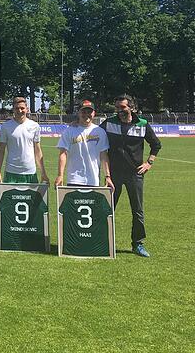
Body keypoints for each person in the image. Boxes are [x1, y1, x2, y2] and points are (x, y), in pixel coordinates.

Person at [100, 94, 161, 258]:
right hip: (113, 175)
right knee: (107, 208)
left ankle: (138, 244)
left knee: (138, 211)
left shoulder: (142, 124)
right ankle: (102, 241)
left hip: (135, 174)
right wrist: (75, 123)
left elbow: (156, 145)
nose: (119, 111)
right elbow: (93, 131)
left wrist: (149, 162)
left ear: (131, 108)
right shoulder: (110, 122)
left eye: (123, 107)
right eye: (117, 108)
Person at [54, 99, 113, 189]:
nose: (86, 114)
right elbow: (63, 154)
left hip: (93, 180)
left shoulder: (100, 132)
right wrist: (60, 175)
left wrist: (107, 177)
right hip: (74, 179)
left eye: (89, 112)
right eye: (83, 111)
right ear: (78, 113)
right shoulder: (69, 131)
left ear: (94, 113)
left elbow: (103, 155)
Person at [0, 96, 49, 184]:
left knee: (31, 198)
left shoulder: (35, 126)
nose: (20, 111)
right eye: (17, 108)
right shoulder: (5, 126)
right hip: (11, 171)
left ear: (27, 109)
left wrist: (43, 172)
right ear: (13, 110)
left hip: (30, 171)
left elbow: (37, 150)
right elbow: (1, 150)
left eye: (22, 108)